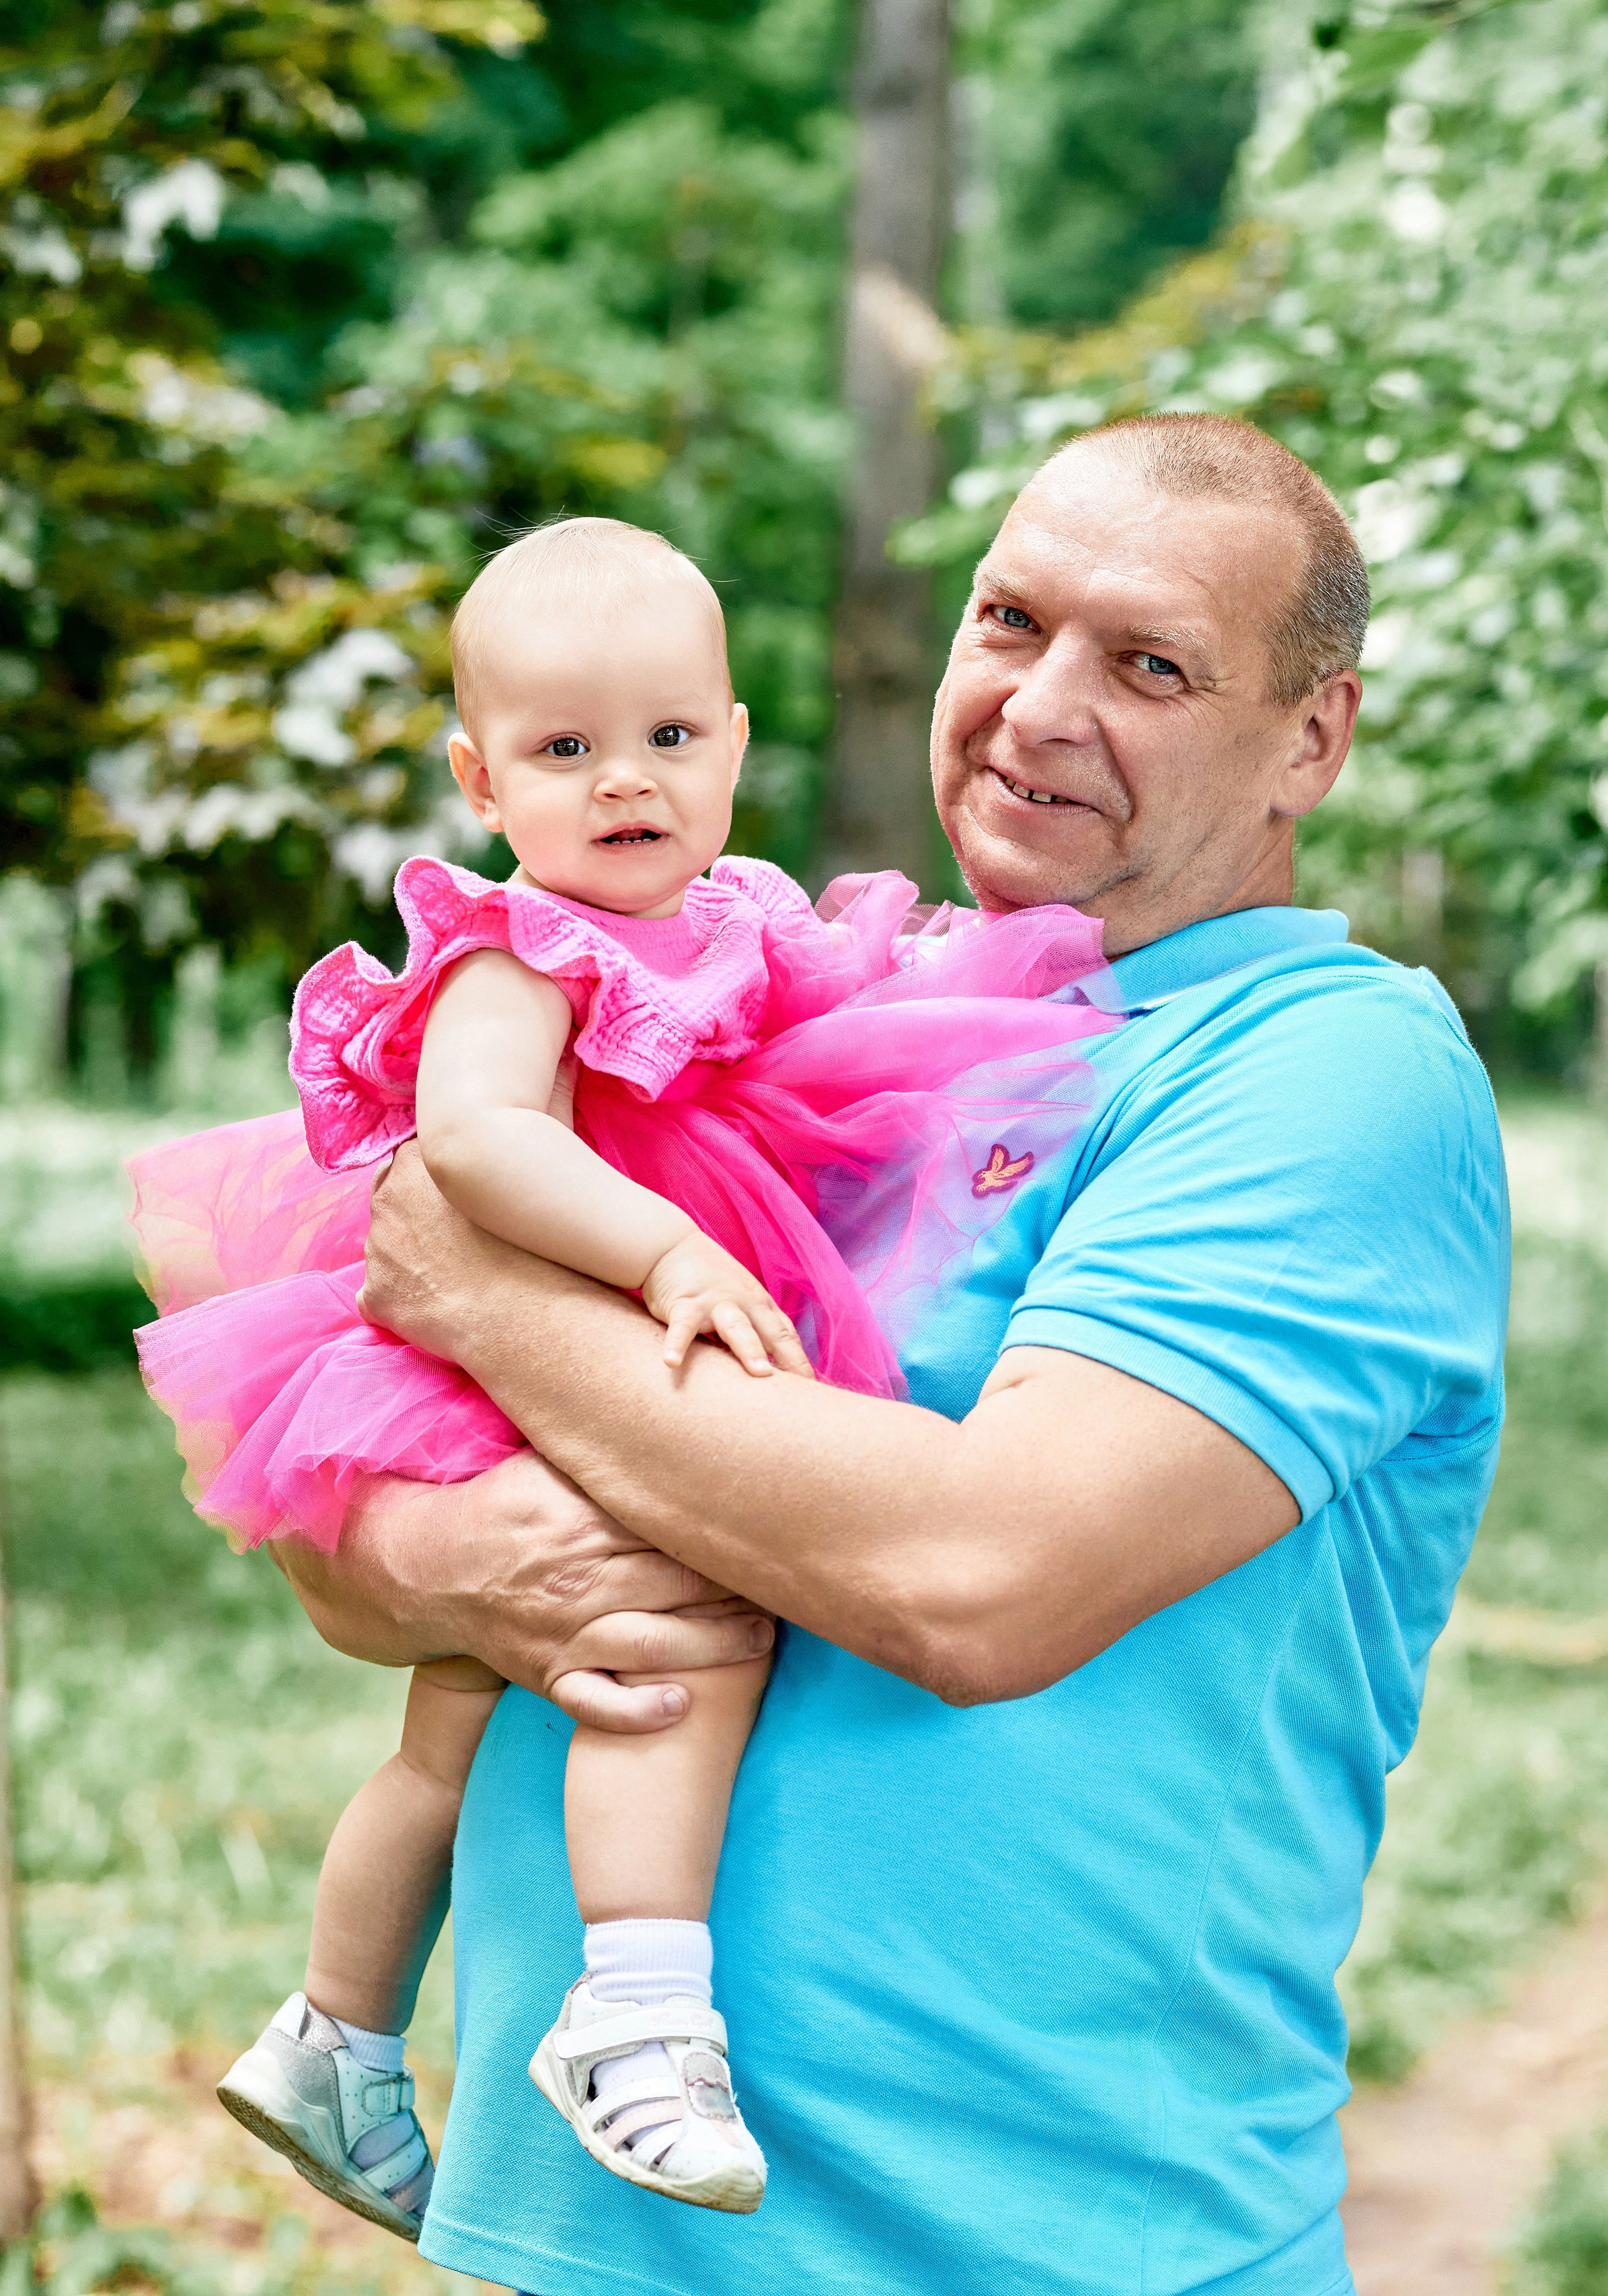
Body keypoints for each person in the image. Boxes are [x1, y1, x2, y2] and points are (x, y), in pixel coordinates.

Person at [276, 415, 1509, 2296]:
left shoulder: (1325, 1070)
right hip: (593, 2236)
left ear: (1311, 738)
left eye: (1150, 663)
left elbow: (977, 1574)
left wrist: (480, 1291)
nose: (1039, 705)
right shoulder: (829, 1012)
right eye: (1010, 621)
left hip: (1028, 2247)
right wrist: (453, 1563)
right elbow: (353, 1506)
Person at [128, 518, 1121, 2233]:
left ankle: (333, 2040)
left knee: (453, 1723)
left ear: (735, 743)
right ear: (479, 778)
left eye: (668, 739)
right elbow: (477, 1142)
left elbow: (837, 1016)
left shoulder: (727, 909)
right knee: (679, 1631)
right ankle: (638, 2009)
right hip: (548, 1312)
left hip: (624, 1304)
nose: (624, 785)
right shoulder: (520, 948)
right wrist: (661, 1252)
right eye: (563, 751)